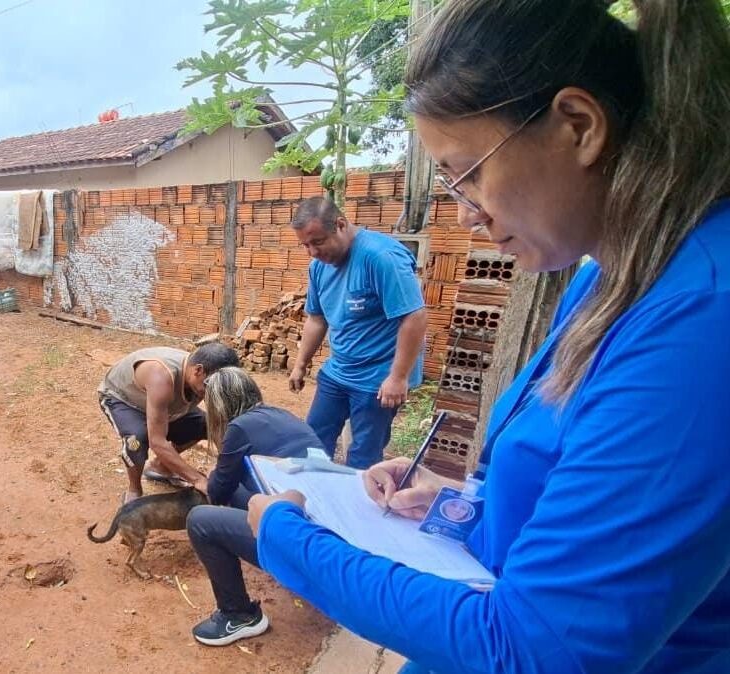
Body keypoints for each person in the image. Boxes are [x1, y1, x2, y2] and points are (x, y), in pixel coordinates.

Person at [246, 1, 730, 672]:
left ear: (579, 126)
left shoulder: (701, 327)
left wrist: (293, 542)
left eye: (469, 173)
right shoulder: (611, 277)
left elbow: (533, 650)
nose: (466, 212)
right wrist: (456, 507)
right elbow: (569, 492)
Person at [187, 367, 324, 646]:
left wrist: (215, 475)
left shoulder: (238, 428)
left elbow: (217, 490)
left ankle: (239, 615)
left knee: (200, 521)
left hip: (305, 551)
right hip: (326, 534)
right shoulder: (281, 414)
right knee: (239, 486)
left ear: (219, 404)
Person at [288, 196, 428, 469]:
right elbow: (317, 319)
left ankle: (353, 506)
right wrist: (300, 364)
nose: (312, 252)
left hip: (376, 380)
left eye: (317, 242)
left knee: (363, 459)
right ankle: (313, 501)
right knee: (312, 444)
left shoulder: (380, 257)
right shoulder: (318, 267)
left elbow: (414, 316)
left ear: (340, 224)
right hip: (339, 371)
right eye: (305, 245)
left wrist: (398, 378)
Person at [98, 343, 239, 503]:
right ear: (198, 370)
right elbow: (157, 441)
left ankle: (160, 467)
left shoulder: (203, 379)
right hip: (124, 400)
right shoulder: (161, 377)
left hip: (160, 404)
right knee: (136, 439)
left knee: (206, 425)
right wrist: (198, 480)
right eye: (212, 387)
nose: (214, 392)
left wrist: (225, 467)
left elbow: (219, 422)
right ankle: (134, 489)